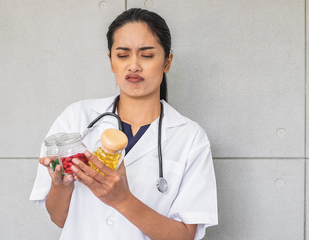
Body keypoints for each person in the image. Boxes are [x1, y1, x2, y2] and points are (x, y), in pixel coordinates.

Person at [30, 8, 218, 240]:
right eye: (122, 55)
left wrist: (122, 200)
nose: (134, 65)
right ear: (111, 61)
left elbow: (184, 236)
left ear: (167, 62)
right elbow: (59, 218)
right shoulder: (76, 118)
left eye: (147, 55)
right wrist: (62, 184)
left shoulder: (190, 137)